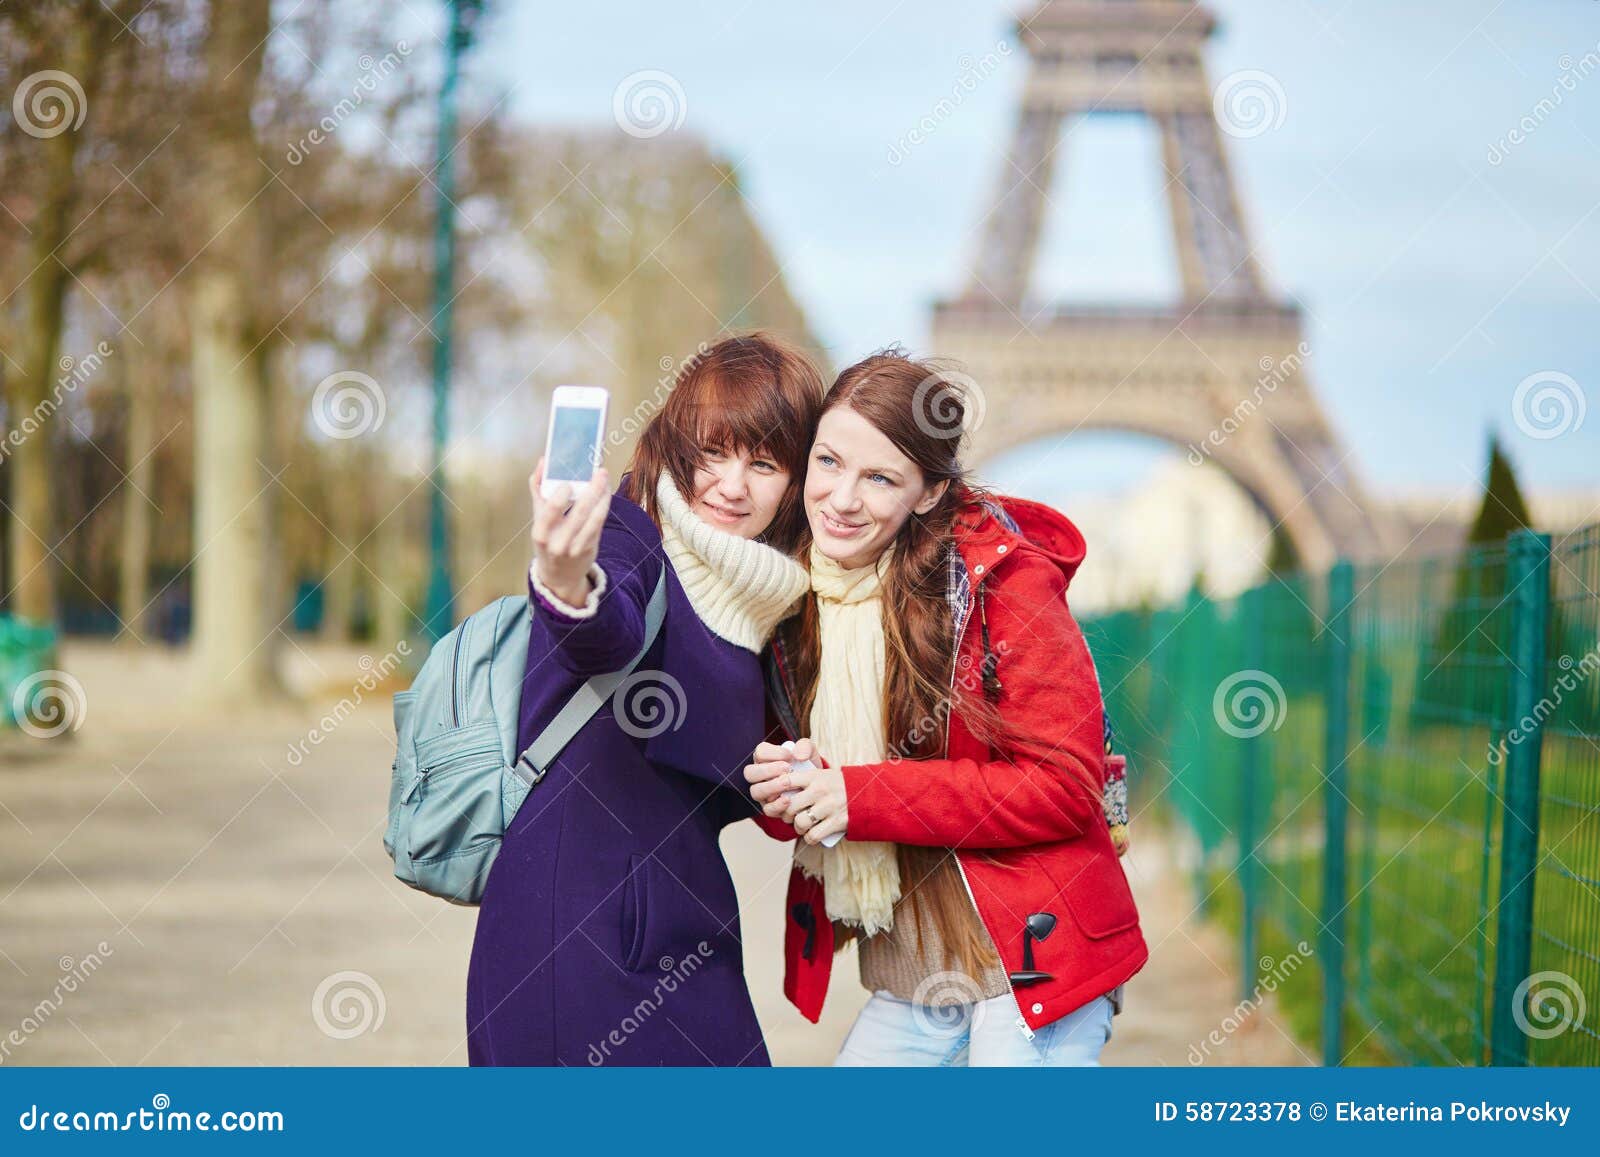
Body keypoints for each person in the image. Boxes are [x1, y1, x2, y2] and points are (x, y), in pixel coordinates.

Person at [745, 350, 1146, 1066]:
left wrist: (856, 793)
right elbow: (791, 818)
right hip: (918, 976)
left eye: (879, 478)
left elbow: (1062, 786)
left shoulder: (1007, 585)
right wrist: (794, 783)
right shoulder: (796, 598)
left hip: (1029, 962)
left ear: (928, 492)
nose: (840, 497)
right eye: (829, 462)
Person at [467, 333, 823, 1066]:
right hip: (578, 931)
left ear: (796, 483)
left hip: (684, 921)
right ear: (675, 443)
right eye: (712, 451)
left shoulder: (768, 597)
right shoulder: (628, 536)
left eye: (763, 463)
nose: (732, 484)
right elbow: (605, 629)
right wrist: (566, 578)